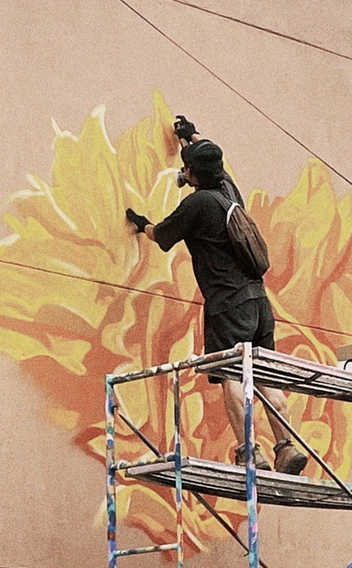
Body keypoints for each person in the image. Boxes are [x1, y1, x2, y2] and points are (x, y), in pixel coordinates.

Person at [127, 127, 307, 474]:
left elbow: (162, 236)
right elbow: (214, 157)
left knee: (231, 376)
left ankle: (249, 451)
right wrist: (191, 135)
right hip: (259, 304)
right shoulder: (228, 191)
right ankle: (286, 449)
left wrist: (141, 224)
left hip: (228, 305)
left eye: (187, 169)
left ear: (193, 175)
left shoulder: (197, 204)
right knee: (265, 377)